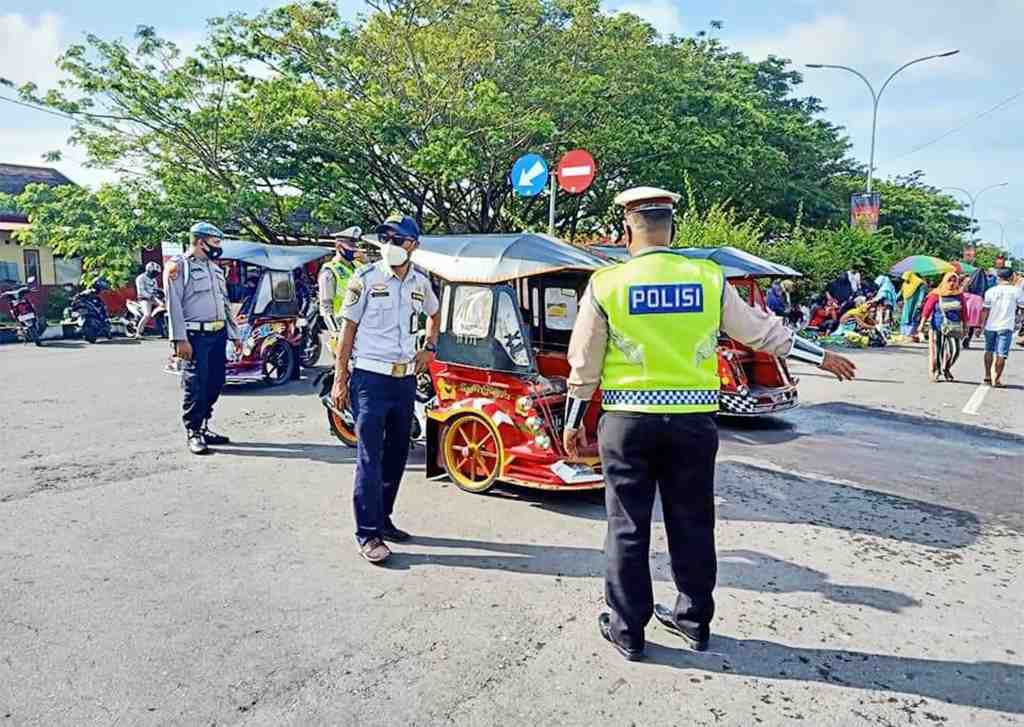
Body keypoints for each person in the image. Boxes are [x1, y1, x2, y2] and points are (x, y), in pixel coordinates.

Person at [562, 187, 856, 661]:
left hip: (628, 423)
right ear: (672, 230)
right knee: (693, 522)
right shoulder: (707, 278)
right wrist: (823, 356)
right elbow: (764, 333)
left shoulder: (606, 283)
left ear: (625, 232)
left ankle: (628, 630)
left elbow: (584, 362)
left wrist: (575, 420)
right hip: (692, 423)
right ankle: (693, 621)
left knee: (626, 525)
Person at [331, 215, 440, 564]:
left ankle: (383, 517)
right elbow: (348, 330)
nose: (391, 245)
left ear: (414, 245)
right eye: (386, 238)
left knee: (397, 455)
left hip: (404, 379)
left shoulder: (421, 283)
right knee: (370, 457)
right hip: (370, 379)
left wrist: (430, 346)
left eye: (399, 239)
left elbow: (435, 315)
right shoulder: (365, 279)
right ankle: (367, 533)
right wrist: (339, 378)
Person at [165, 222, 242, 455]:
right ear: (201, 242)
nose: (219, 247)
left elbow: (225, 304)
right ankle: (194, 431)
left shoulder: (215, 269)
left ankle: (205, 424)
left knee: (216, 382)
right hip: (194, 336)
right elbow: (173, 304)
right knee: (196, 385)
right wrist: (179, 339)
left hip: (218, 333)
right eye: (215, 243)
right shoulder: (179, 266)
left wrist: (234, 334)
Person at [980, 266, 1024, 387]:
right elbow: (1022, 307)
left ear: (998, 277)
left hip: (990, 326)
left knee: (988, 351)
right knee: (1001, 354)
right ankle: (997, 379)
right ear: (1011, 277)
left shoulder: (990, 291)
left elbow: (985, 310)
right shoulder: (1017, 291)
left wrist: (980, 325)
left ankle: (987, 376)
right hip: (1006, 326)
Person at [919, 272, 966, 383]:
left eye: (955, 281)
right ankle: (937, 372)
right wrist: (921, 324)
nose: (952, 283)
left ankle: (946, 368)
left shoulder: (959, 295)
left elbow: (964, 311)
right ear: (944, 281)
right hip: (937, 325)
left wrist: (966, 325)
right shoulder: (936, 294)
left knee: (955, 350)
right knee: (938, 350)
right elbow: (927, 310)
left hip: (954, 326)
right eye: (949, 280)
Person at [318, 226, 363, 339]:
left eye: (355, 246)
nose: (354, 250)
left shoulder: (358, 267)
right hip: (341, 325)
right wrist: (335, 332)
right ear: (339, 246)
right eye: (350, 246)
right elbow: (326, 306)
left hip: (361, 326)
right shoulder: (329, 270)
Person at [133, 261, 163, 339]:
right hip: (144, 299)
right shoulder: (140, 278)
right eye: (154, 272)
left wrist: (160, 293)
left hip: (153, 298)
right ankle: (138, 333)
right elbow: (141, 291)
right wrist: (151, 297)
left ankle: (163, 330)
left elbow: (155, 289)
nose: (155, 275)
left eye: (156, 273)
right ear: (149, 270)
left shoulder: (154, 280)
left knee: (165, 307)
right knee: (147, 314)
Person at [899, 271, 928, 339]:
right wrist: (895, 298)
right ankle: (904, 333)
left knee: (913, 317)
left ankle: (912, 333)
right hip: (907, 302)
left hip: (915, 303)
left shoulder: (920, 283)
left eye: (907, 278)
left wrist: (920, 302)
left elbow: (922, 293)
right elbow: (901, 292)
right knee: (905, 317)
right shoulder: (905, 283)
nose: (906, 280)